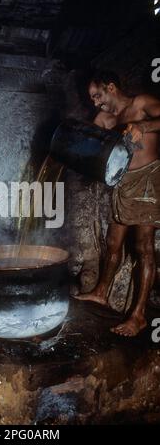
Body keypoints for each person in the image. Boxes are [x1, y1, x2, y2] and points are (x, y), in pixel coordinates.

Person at [75, 70, 160, 337]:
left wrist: (144, 126)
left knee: (143, 247)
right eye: (91, 99)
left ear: (111, 87)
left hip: (148, 180)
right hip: (121, 184)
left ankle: (139, 316)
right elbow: (90, 148)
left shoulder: (142, 104)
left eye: (97, 95)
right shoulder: (104, 119)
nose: (95, 103)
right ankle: (101, 292)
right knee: (113, 244)